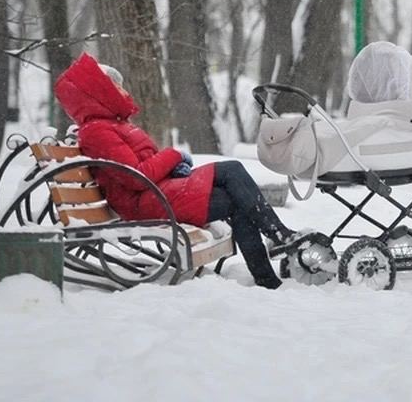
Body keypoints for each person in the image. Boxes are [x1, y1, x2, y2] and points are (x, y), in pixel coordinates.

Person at [54, 53, 315, 289]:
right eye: (116, 85)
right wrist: (175, 155)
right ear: (99, 92)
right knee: (234, 180)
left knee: (234, 189)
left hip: (157, 193)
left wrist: (172, 164)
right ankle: (277, 242)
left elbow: (141, 169)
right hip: (145, 203)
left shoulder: (113, 125)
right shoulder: (99, 131)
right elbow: (138, 176)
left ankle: (270, 269)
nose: (123, 90)